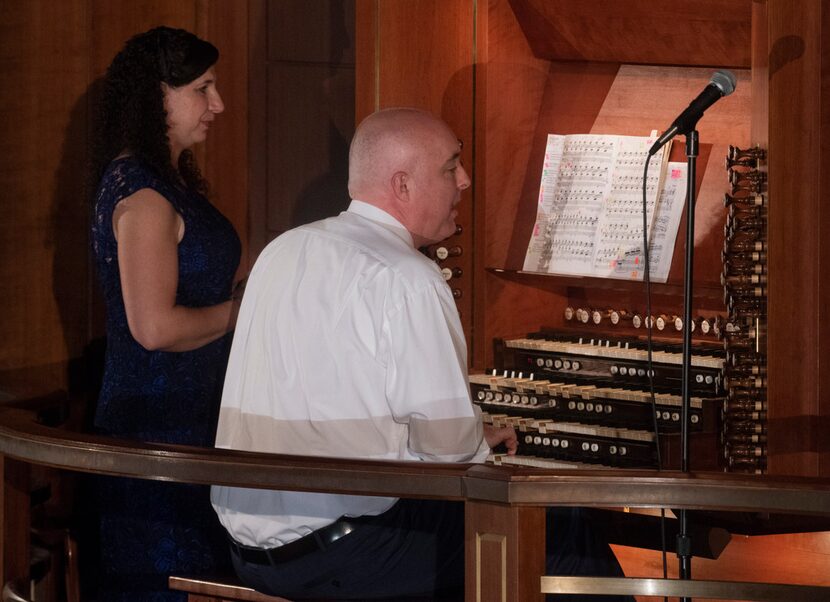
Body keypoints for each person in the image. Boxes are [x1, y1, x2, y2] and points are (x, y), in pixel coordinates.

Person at [211, 108, 630, 601]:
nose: (465, 181)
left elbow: (330, 400)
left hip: (248, 547)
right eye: (451, 168)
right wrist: (474, 441)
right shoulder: (407, 276)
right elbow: (449, 453)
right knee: (561, 529)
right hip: (345, 553)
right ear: (402, 185)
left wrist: (470, 434)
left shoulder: (282, 250)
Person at [89, 26, 241, 601]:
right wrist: (240, 313)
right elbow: (153, 328)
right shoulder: (144, 193)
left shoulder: (165, 181)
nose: (217, 104)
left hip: (188, 419)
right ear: (158, 95)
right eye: (203, 88)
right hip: (157, 427)